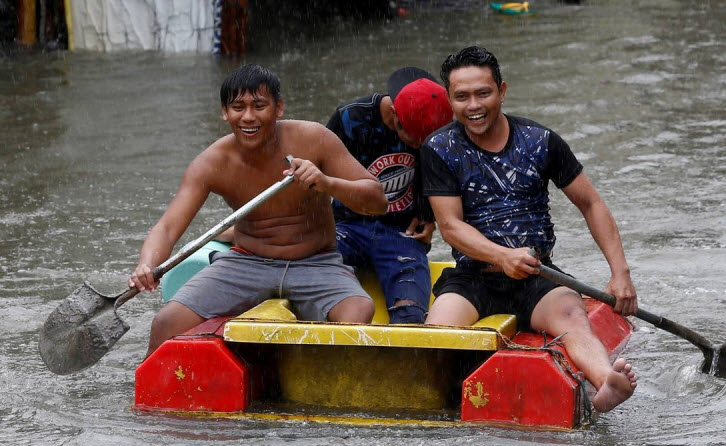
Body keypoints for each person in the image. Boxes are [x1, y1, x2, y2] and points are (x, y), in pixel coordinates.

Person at [421, 46, 638, 412]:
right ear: (449, 100)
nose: (473, 105)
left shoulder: (540, 141)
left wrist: (620, 274)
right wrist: (502, 256)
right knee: (437, 334)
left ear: (502, 91)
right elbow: (450, 227)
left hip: (538, 276)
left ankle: (606, 382)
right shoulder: (439, 149)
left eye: (483, 93)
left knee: (572, 317)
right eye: (462, 97)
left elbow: (591, 203)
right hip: (473, 277)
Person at [129, 64, 387, 357]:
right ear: (225, 112)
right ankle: (146, 400)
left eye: (259, 106)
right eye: (238, 107)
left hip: (316, 262)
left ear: (278, 109)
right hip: (248, 261)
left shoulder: (314, 139)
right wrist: (147, 265)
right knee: (165, 322)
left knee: (359, 310)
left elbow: (377, 201)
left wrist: (326, 182)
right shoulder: (212, 162)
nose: (248, 117)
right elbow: (167, 227)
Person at [326, 67, 452, 323]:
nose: (418, 146)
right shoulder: (349, 118)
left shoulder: (438, 130)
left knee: (411, 313)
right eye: (414, 140)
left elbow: (439, 173)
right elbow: (316, 172)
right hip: (346, 225)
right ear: (395, 114)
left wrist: (428, 216)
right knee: (311, 276)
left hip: (401, 233)